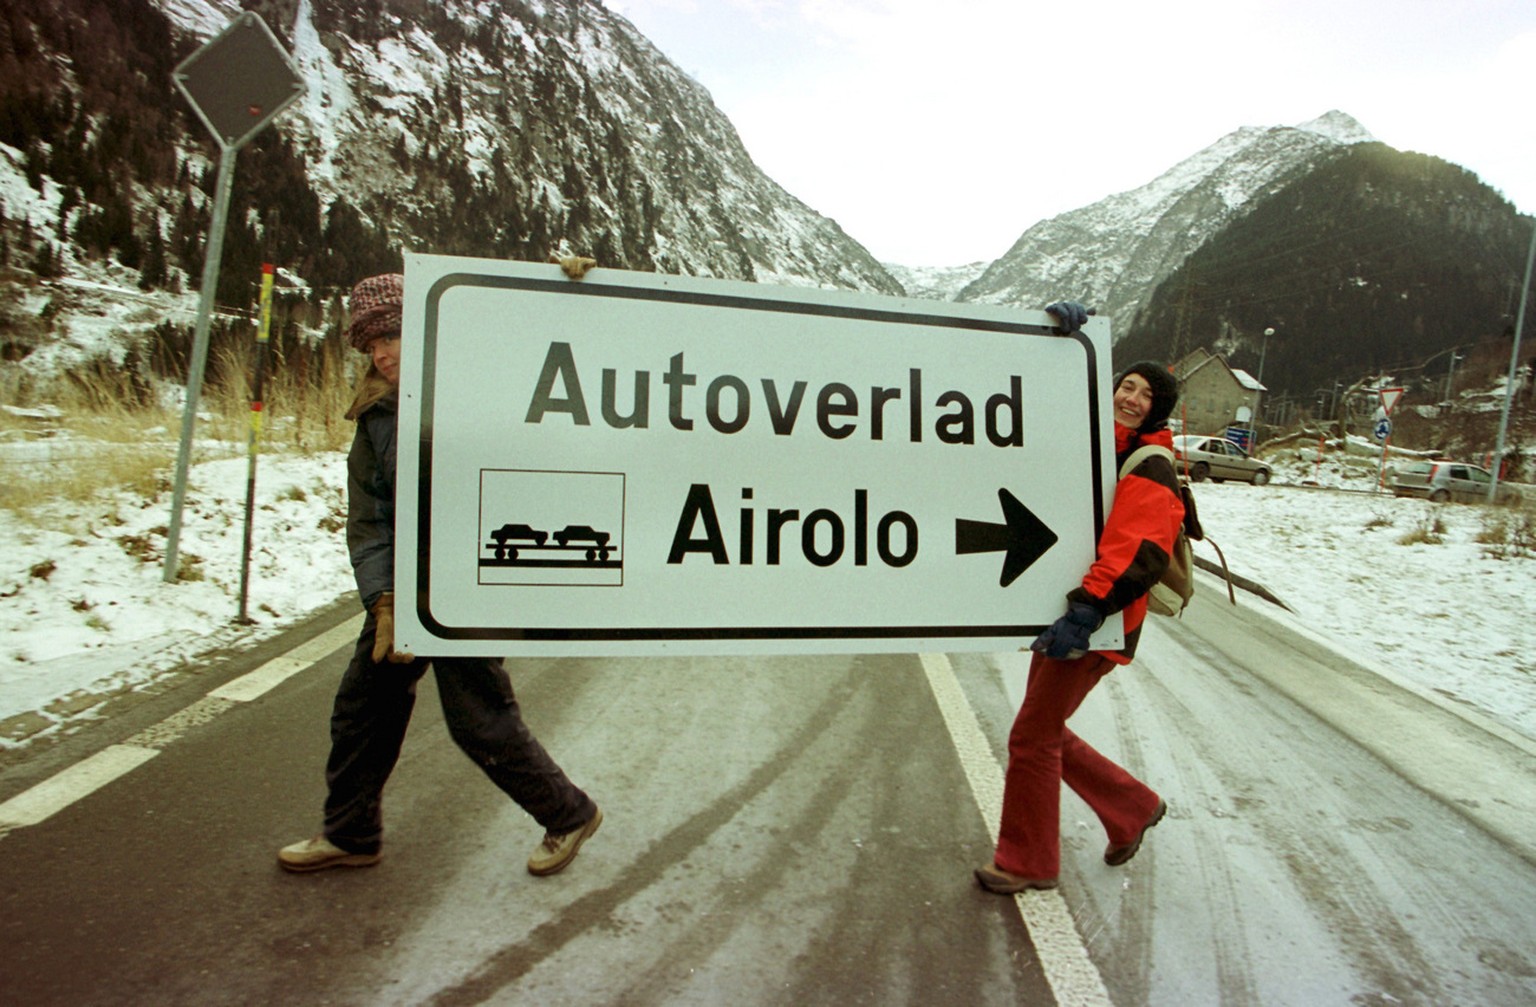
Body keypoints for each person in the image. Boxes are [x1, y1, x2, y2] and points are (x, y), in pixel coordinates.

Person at [279, 271, 602, 876]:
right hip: (404, 593)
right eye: (370, 344)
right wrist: (382, 599)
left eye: (392, 336)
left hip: (466, 587)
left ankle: (569, 814)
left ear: (428, 330)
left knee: (479, 722)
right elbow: (370, 521)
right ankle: (351, 835)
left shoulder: (486, 388)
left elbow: (563, 380)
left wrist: (572, 289)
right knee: (362, 711)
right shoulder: (374, 416)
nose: (380, 353)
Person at [976, 301, 1184, 894]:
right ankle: (1132, 807)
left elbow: (1138, 546)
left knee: (1032, 736)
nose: (1132, 397)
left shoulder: (1149, 463)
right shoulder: (1095, 442)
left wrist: (1089, 607)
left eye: (1147, 395)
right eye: (1127, 385)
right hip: (1074, 610)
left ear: (1157, 411)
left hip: (1099, 616)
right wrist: (1056, 342)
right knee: (1042, 728)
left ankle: (1027, 861)